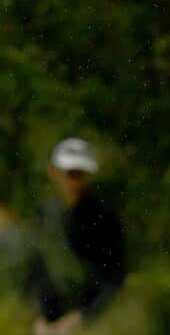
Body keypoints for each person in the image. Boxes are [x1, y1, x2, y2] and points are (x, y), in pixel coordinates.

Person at [25, 139, 126, 334]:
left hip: (92, 321)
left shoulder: (105, 218)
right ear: (54, 172)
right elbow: (37, 270)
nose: (75, 181)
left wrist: (82, 317)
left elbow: (113, 277)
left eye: (80, 174)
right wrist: (40, 317)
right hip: (50, 324)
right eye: (70, 173)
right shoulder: (44, 214)